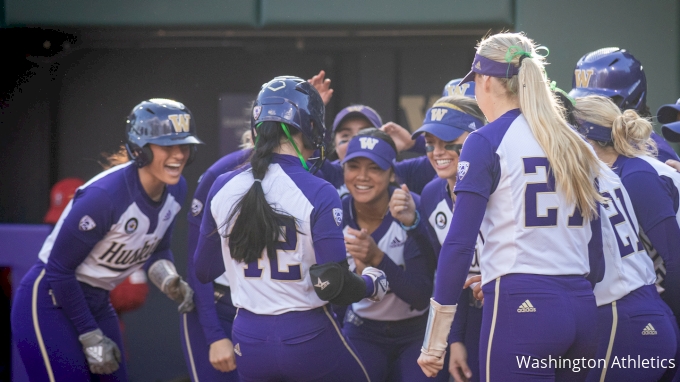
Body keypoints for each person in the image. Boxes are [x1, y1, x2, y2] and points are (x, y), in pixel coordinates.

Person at [417, 32, 606, 381]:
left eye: (473, 82)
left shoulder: (485, 140)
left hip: (522, 307)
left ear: (486, 80)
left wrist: (435, 341)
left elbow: (458, 245)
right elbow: (597, 253)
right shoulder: (576, 142)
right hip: (582, 307)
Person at [193, 76, 387, 381]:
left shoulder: (222, 185)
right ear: (311, 126)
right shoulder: (319, 190)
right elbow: (333, 285)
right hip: (307, 335)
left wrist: (250, 243)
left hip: (248, 338)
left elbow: (204, 270)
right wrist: (371, 285)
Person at [11, 98, 201, 381]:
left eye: (183, 145)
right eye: (167, 145)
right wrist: (89, 335)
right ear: (140, 149)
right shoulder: (105, 196)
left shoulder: (177, 189)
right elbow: (59, 270)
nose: (178, 155)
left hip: (98, 300)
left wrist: (170, 280)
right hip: (49, 300)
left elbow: (158, 249)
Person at [180, 72, 336, 382]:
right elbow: (336, 282)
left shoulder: (230, 182)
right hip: (262, 314)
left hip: (249, 325)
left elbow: (203, 267)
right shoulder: (225, 174)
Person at [573, 95, 680, 381]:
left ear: (585, 139)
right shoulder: (607, 173)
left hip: (650, 312)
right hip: (647, 305)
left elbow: (676, 257)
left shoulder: (636, 176)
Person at [339, 128, 441, 381]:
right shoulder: (335, 211)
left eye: (374, 167)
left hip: (416, 331)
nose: (362, 176)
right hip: (362, 328)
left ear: (391, 173)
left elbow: (419, 295)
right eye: (353, 166)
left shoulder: (409, 207)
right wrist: (359, 279)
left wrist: (377, 260)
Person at [410, 96, 484, 382]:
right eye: (430, 142)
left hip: (516, 309)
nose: (437, 152)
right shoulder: (430, 195)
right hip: (471, 314)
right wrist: (455, 340)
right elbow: (450, 275)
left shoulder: (506, 187)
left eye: (448, 141)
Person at [568, 47, 680, 164]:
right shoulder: (595, 141)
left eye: (599, 102)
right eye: (583, 102)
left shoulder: (654, 151)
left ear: (632, 100)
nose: (588, 110)